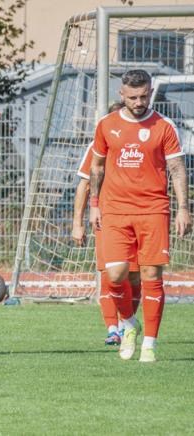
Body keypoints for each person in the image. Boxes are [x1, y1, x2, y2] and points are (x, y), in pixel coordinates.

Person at [88, 69, 191, 362]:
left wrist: (184, 208)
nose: (139, 102)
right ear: (122, 94)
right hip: (115, 209)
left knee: (151, 274)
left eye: (144, 96)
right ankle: (130, 324)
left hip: (153, 209)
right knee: (116, 273)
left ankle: (149, 344)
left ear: (149, 92)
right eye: (133, 97)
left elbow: (177, 169)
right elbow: (97, 167)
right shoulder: (107, 124)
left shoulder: (164, 126)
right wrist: (94, 204)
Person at [72, 101, 142, 346]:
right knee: (108, 273)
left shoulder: (141, 142)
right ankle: (113, 329)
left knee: (134, 275)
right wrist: (77, 223)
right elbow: (84, 184)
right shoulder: (97, 144)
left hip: (138, 216)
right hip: (106, 217)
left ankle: (127, 325)